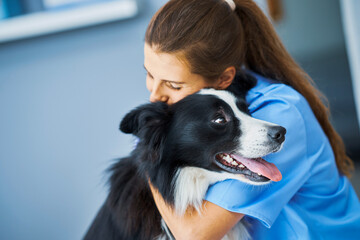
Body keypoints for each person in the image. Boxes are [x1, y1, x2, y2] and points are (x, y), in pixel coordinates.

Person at [143, 0, 360, 239]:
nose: (155, 95)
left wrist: (150, 155)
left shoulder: (278, 114)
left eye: (174, 85)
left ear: (224, 79)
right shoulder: (205, 108)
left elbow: (195, 234)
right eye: (150, 75)